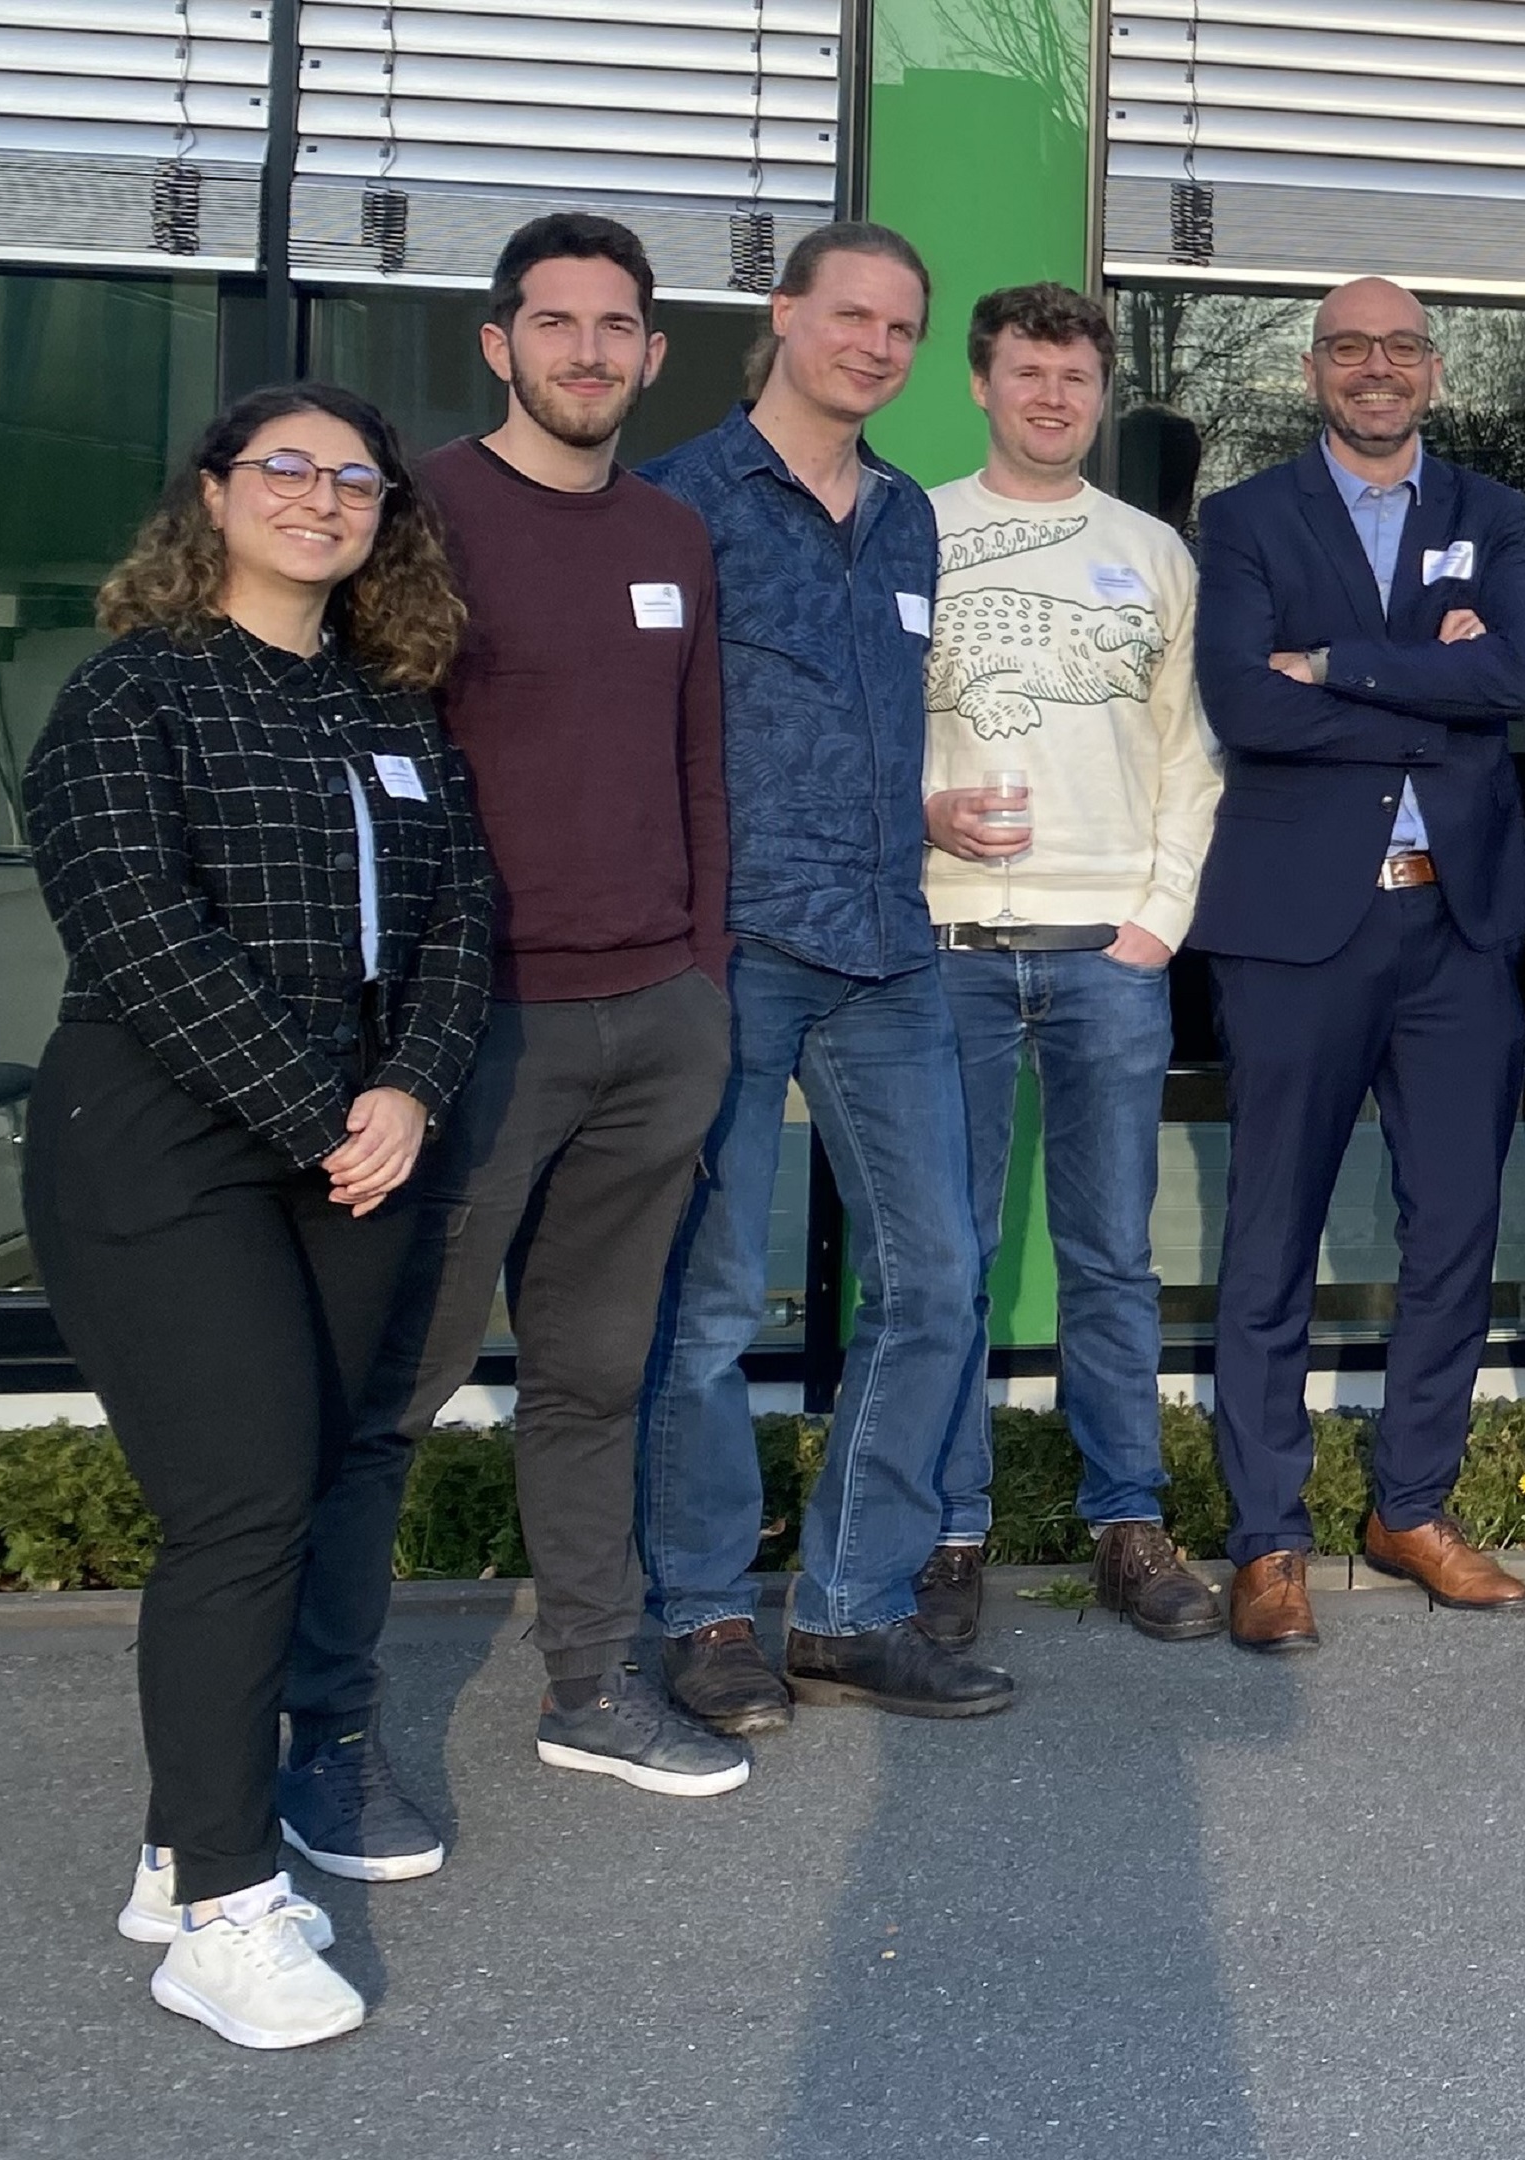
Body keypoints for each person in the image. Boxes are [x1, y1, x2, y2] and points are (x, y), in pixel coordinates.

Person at [26, 382, 490, 2048]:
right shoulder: (129, 694)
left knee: (301, 1487)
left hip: (357, 1143)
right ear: (214, 496)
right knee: (237, 1511)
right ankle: (225, 1910)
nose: (320, 497)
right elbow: (137, 931)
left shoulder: (388, 707)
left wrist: (411, 1089)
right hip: (165, 1140)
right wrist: (319, 1112)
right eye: (284, 468)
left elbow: (461, 917)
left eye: (354, 479)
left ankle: (182, 1848)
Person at [311, 214, 747, 1819]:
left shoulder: (674, 533)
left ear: (654, 353)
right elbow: (368, 779)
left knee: (594, 1381)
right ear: (498, 344)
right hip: (472, 1035)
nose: (587, 351)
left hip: (657, 1026)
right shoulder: (420, 517)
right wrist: (394, 1036)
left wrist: (702, 980)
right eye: (554, 323)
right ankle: (321, 1729)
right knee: (392, 1394)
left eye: (615, 325)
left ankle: (591, 1688)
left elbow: (699, 767)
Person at [638, 221, 1014, 1722]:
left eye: (901, 328)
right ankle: (704, 1613)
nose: (876, 346)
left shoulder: (910, 517)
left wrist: (916, 816)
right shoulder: (679, 503)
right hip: (733, 947)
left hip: (884, 946)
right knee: (713, 1301)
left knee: (939, 1276)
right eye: (851, 315)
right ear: (785, 315)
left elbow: (862, 726)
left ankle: (851, 1608)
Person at [1190, 277, 1525, 1651]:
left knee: (1455, 1225)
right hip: (1296, 931)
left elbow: (1514, 680)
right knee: (1271, 1233)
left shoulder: (1490, 513)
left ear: (1434, 371)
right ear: (1313, 370)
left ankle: (1411, 1508)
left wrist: (1334, 662)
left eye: (1400, 347)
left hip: (1457, 928)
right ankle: (1267, 1540)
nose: (1376, 368)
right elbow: (1241, 702)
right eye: (1350, 348)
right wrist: (1424, 688)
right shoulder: (1246, 518)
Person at [916, 281, 1224, 1643]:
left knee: (1109, 1256)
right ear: (980, 384)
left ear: (1100, 398)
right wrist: (918, 825)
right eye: (1028, 373)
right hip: (950, 949)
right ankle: (946, 1532)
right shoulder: (913, 531)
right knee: (949, 1258)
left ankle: (1127, 1524)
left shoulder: (1152, 553)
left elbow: (1189, 755)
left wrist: (1157, 918)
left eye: (1075, 378)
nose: (1052, 397)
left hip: (1110, 952)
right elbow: (867, 731)